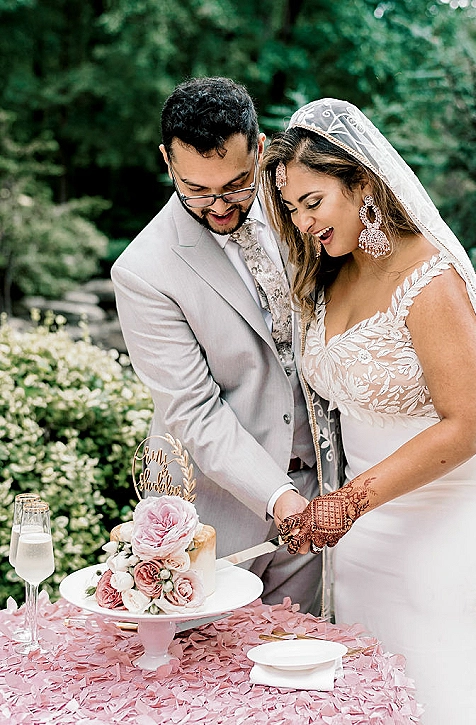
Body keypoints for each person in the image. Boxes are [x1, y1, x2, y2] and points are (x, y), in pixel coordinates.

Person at [261, 98, 476, 723]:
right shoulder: (327, 275)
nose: (303, 222)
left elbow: (470, 425)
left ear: (363, 183)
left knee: (445, 698)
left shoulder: (430, 279)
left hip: (443, 533)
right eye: (291, 208)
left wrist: (350, 501)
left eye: (314, 201)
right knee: (376, 703)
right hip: (362, 541)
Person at [111, 78, 341, 617]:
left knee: (300, 654)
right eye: (196, 189)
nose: (218, 206)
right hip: (214, 518)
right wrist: (279, 498)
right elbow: (193, 410)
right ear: (167, 161)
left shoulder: (301, 213)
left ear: (259, 150)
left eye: (236, 185)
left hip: (323, 494)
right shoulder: (142, 271)